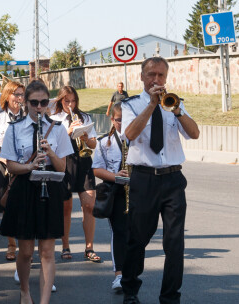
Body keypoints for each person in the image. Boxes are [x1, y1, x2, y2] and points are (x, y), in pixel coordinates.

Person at [120, 57, 199, 304]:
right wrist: (151, 105)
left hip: (173, 179)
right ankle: (130, 289)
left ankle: (170, 297)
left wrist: (176, 110)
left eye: (161, 75)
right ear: (142, 77)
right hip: (144, 179)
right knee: (138, 238)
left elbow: (194, 133)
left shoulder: (174, 103)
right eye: (152, 74)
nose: (157, 80)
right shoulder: (130, 105)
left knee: (175, 243)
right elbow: (130, 134)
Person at [0, 80, 73, 304]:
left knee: (48, 252)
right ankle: (24, 291)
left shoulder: (58, 129)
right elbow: (10, 166)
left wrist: (50, 152)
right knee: (26, 252)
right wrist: (30, 166)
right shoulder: (14, 128)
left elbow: (63, 168)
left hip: (50, 187)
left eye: (43, 102)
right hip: (24, 187)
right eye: (34, 102)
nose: (39, 107)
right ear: (26, 102)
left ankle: (44, 301)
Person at [51, 86, 100, 263]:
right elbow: (52, 144)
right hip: (65, 162)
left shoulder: (84, 117)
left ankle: (89, 248)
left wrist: (87, 138)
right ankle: (65, 246)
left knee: (89, 205)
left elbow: (94, 144)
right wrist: (69, 131)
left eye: (73, 101)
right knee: (66, 207)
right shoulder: (54, 119)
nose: (70, 104)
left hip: (83, 162)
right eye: (66, 101)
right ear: (60, 101)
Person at [92, 102, 129, 292]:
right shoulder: (103, 142)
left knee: (137, 234)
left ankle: (132, 273)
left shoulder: (138, 139)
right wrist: (116, 176)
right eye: (118, 120)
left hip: (139, 192)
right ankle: (119, 275)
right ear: (112, 120)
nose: (122, 123)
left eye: (126, 119)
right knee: (119, 232)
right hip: (117, 192)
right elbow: (97, 169)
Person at [0, 81, 25, 262]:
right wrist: (2, 158)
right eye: (16, 94)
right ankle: (12, 244)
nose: (19, 98)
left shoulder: (29, 117)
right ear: (7, 96)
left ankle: (25, 247)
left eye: (22, 95)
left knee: (25, 205)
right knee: (7, 204)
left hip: (25, 162)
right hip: (3, 163)